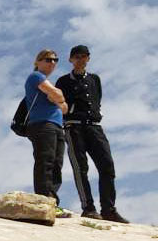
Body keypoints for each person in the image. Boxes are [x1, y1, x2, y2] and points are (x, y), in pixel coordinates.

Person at [55, 45, 129, 223]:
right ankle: (88, 208)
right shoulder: (63, 81)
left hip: (95, 127)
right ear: (71, 59)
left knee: (107, 166)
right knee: (81, 169)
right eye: (77, 56)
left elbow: (98, 99)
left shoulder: (95, 79)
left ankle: (109, 209)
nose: (81, 59)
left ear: (88, 58)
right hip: (74, 127)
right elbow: (58, 103)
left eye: (84, 56)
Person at [25, 49, 71, 218]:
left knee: (56, 163)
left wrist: (58, 98)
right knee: (46, 161)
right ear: (38, 62)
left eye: (55, 60)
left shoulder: (46, 82)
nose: (52, 63)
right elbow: (58, 96)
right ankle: (45, 202)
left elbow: (65, 107)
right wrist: (58, 97)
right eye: (48, 59)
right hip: (42, 124)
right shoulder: (35, 77)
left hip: (57, 126)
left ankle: (52, 202)